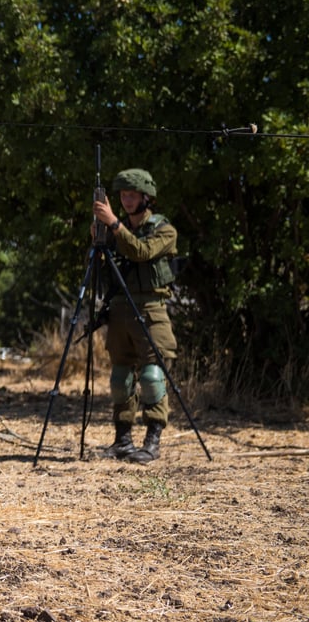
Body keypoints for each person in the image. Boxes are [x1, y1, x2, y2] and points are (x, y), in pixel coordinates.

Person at [92, 168, 179, 464]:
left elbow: (141, 252)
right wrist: (98, 244)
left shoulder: (164, 230)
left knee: (153, 376)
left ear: (146, 197)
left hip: (151, 309)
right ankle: (122, 440)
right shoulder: (114, 233)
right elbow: (103, 273)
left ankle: (152, 441)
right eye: (123, 196)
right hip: (119, 310)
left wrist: (114, 224)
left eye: (132, 195)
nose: (126, 200)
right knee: (120, 378)